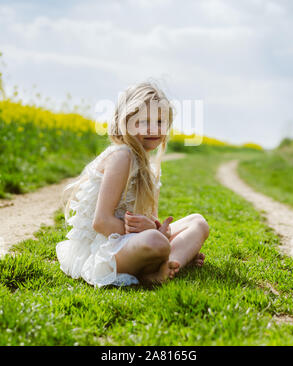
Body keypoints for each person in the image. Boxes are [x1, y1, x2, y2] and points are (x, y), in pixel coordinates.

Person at [56, 80, 209, 287]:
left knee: (198, 223)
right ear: (124, 122)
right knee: (155, 242)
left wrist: (156, 227)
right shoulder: (122, 156)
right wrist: (152, 234)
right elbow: (101, 222)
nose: (153, 129)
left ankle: (170, 264)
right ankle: (165, 263)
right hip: (104, 247)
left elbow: (149, 220)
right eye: (143, 122)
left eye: (160, 122)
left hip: (131, 241)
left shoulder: (150, 167)